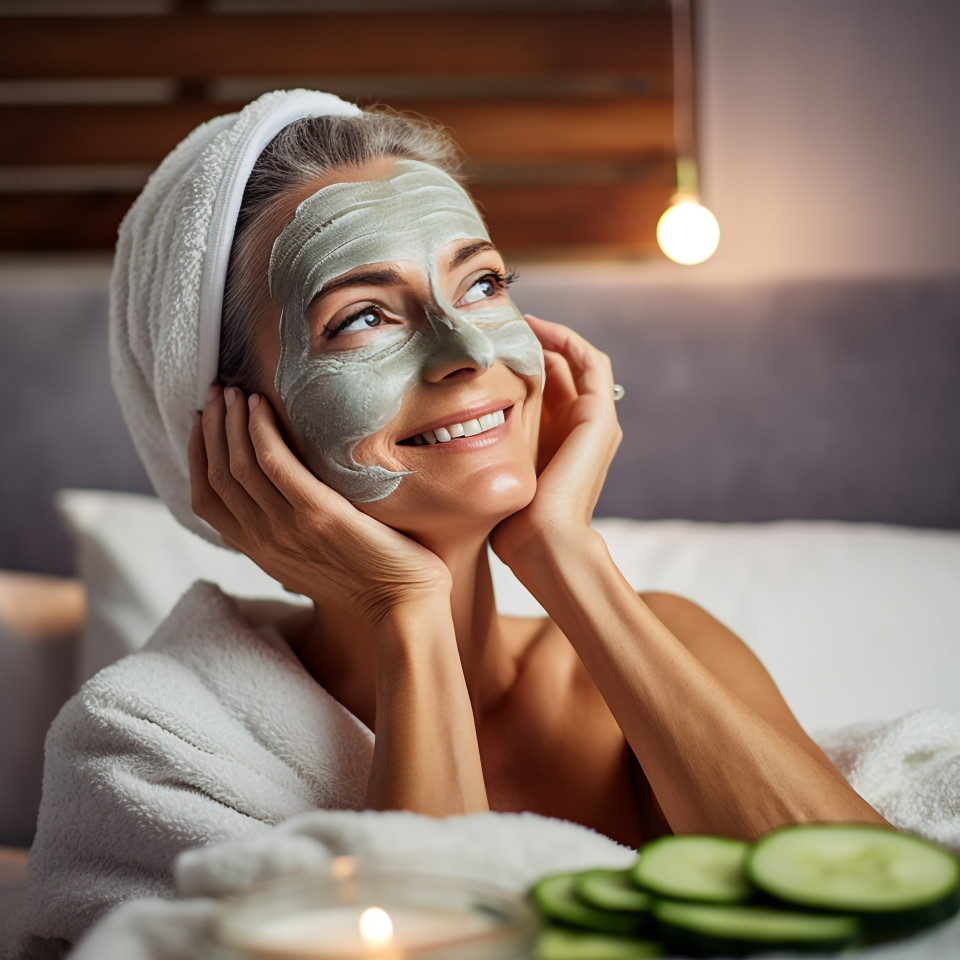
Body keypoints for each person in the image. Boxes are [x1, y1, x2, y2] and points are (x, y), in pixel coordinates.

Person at [7, 90, 887, 959]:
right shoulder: (151, 744)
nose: (469, 350)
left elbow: (889, 922)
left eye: (484, 282)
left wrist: (566, 555)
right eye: (362, 317)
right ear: (236, 431)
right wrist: (403, 610)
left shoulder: (668, 645)